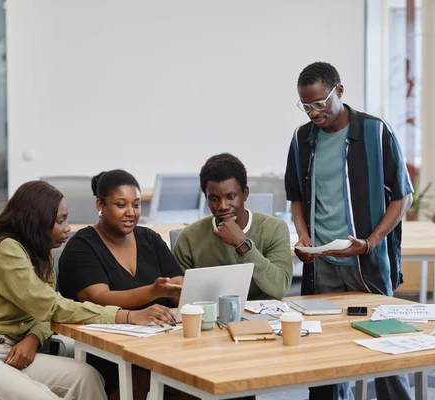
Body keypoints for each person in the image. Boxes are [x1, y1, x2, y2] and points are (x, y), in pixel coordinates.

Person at [0, 180, 174, 400]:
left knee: (86, 378)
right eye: (60, 221)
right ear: (36, 221)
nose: (68, 228)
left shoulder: (43, 254)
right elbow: (51, 306)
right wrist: (128, 316)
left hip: (9, 351)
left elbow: (47, 307)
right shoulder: (6, 250)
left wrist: (33, 337)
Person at [284, 62, 413, 400]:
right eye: (306, 105)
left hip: (366, 263)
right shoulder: (302, 139)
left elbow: (402, 196)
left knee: (387, 347)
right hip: (322, 264)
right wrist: (303, 235)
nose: (314, 112)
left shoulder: (375, 131)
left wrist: (371, 243)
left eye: (320, 103)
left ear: (339, 91)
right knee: (326, 352)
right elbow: (296, 197)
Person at [58, 169, 184, 399]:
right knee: (150, 372)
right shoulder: (82, 246)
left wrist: (183, 290)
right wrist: (153, 291)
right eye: (121, 205)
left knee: (193, 374)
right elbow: (99, 298)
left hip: (161, 342)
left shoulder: (150, 238)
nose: (131, 213)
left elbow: (176, 281)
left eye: (136, 205)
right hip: (107, 347)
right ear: (100, 204)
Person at [173, 153, 293, 301]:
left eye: (230, 197)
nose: (222, 207)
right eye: (214, 199)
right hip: (209, 317)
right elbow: (178, 297)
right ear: (206, 198)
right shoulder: (188, 238)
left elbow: (279, 288)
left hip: (264, 318)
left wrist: (243, 244)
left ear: (245, 194)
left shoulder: (274, 228)